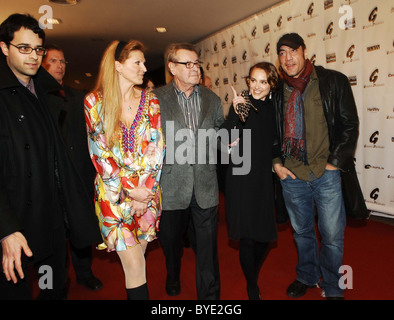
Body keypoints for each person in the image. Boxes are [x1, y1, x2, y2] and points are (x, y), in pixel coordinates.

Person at [0, 13, 101, 300]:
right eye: (24, 48)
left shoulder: (46, 93)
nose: (33, 56)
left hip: (50, 217)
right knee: (15, 291)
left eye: (38, 49)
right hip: (14, 219)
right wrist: (6, 230)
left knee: (51, 287)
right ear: (4, 48)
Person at [273, 33, 361, 300]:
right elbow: (270, 133)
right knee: (301, 232)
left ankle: (333, 286)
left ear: (304, 51)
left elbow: (350, 125)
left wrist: (335, 163)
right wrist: (276, 163)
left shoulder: (333, 81)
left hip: (327, 174)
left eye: (293, 51)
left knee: (332, 235)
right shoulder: (278, 91)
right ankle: (307, 276)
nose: (288, 58)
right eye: (282, 53)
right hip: (292, 176)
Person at [84, 40, 165, 300]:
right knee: (134, 266)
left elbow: (157, 148)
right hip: (114, 196)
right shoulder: (93, 102)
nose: (144, 68)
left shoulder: (151, 101)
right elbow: (100, 154)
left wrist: (146, 193)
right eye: (137, 63)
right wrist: (132, 193)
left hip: (148, 194)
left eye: (144, 62)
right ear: (118, 66)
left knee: (137, 262)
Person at [154, 43, 223, 299]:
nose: (195, 68)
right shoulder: (155, 99)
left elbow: (218, 133)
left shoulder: (212, 99)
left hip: (205, 184)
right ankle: (172, 274)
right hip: (171, 185)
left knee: (207, 248)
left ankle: (210, 298)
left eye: (197, 63)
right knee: (171, 242)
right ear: (172, 67)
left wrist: (228, 139)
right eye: (188, 64)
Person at [41, 44, 103, 292]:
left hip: (78, 176)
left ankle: (84, 273)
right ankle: (55, 281)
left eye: (63, 61)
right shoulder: (34, 97)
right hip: (48, 178)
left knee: (80, 227)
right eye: (53, 60)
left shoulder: (79, 98)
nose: (59, 65)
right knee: (53, 234)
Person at [220, 62, 280, 300]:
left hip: (264, 178)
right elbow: (224, 134)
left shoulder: (275, 107)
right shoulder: (241, 104)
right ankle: (252, 285)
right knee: (246, 234)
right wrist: (235, 116)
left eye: (263, 81)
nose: (257, 86)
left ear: (271, 84)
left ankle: (251, 272)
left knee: (265, 235)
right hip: (241, 176)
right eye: (253, 80)